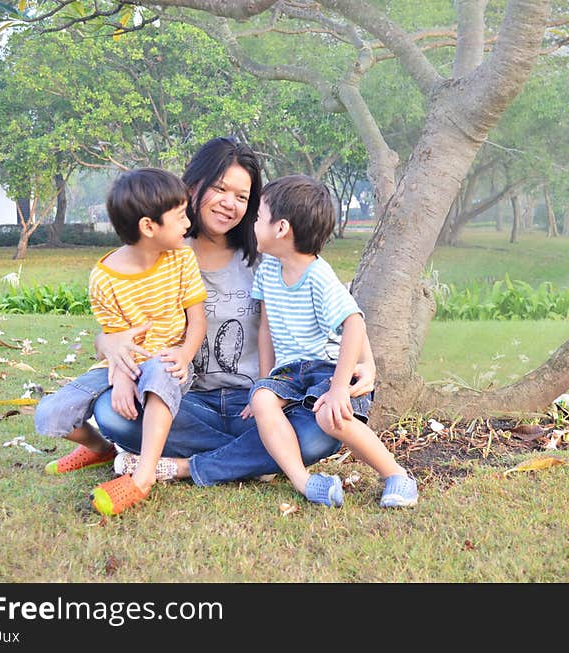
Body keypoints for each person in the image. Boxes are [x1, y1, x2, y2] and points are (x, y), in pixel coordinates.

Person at [46, 137, 375, 489]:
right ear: (193, 186)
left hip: (260, 404)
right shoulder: (161, 250)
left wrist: (367, 362)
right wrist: (105, 343)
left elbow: (339, 306)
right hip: (185, 404)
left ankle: (184, 464)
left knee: (318, 436)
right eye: (220, 188)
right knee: (112, 415)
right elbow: (118, 330)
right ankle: (256, 457)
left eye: (242, 197)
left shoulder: (270, 255)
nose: (229, 204)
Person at [35, 168, 207, 516]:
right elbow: (115, 340)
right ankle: (100, 449)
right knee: (48, 413)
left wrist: (185, 356)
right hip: (122, 363)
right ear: (148, 226)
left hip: (167, 362)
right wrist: (123, 378)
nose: (188, 223)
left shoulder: (182, 259)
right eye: (179, 217)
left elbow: (198, 321)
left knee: (159, 371)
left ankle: (143, 477)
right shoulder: (104, 278)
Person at [249, 174, 417, 508]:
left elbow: (354, 324)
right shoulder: (269, 268)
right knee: (262, 400)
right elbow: (265, 328)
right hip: (290, 373)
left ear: (280, 228)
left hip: (325, 368)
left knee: (330, 415)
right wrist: (264, 381)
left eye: (257, 218)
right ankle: (304, 481)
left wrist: (339, 388)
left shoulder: (318, 276)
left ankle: (397, 475)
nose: (252, 224)